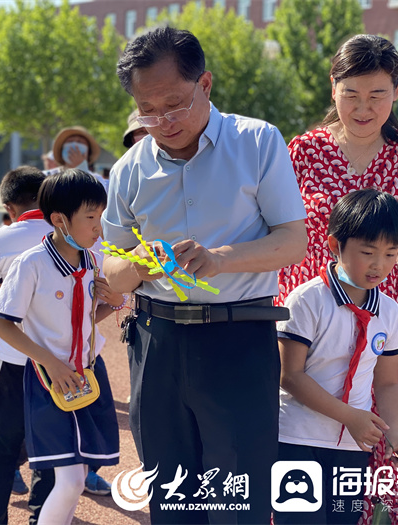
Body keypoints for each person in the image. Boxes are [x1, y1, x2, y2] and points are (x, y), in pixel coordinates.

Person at [103, 27, 307, 524]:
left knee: (240, 495)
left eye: (174, 103)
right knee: (171, 493)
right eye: (146, 110)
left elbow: (292, 240)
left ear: (206, 83)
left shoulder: (257, 142)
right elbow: (109, 268)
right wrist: (136, 264)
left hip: (238, 336)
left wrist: (219, 259)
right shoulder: (127, 170)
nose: (162, 120)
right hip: (156, 342)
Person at [277, 34, 398, 308]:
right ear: (333, 87)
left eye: (376, 95)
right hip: (304, 307)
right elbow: (277, 227)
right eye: (351, 94)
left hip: (375, 310)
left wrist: (374, 282)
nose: (362, 108)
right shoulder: (304, 151)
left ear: (396, 90)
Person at [274, 189, 398, 525]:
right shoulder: (307, 300)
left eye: (390, 254)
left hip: (352, 447)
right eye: (368, 252)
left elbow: (388, 382)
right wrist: (350, 416)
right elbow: (290, 376)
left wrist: (394, 432)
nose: (379, 265)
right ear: (335, 246)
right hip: (296, 439)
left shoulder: (390, 312)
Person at [0, 169, 121, 525]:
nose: (99, 228)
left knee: (78, 478)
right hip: (49, 380)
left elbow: (82, 322)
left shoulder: (91, 261)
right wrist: (51, 363)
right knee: (68, 480)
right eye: (91, 218)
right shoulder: (31, 264)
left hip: (86, 374)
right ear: (59, 220)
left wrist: (115, 303)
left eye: (102, 216)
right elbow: (2, 324)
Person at [0, 166, 54, 525]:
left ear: (9, 208)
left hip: (16, 359)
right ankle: (44, 517)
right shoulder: (76, 232)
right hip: (62, 362)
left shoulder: (4, 238)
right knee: (54, 450)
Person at [51, 126, 108, 192]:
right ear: (62, 149)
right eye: (70, 141)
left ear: (88, 152)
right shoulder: (47, 176)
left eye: (80, 142)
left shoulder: (98, 180)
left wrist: (81, 168)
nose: (75, 145)